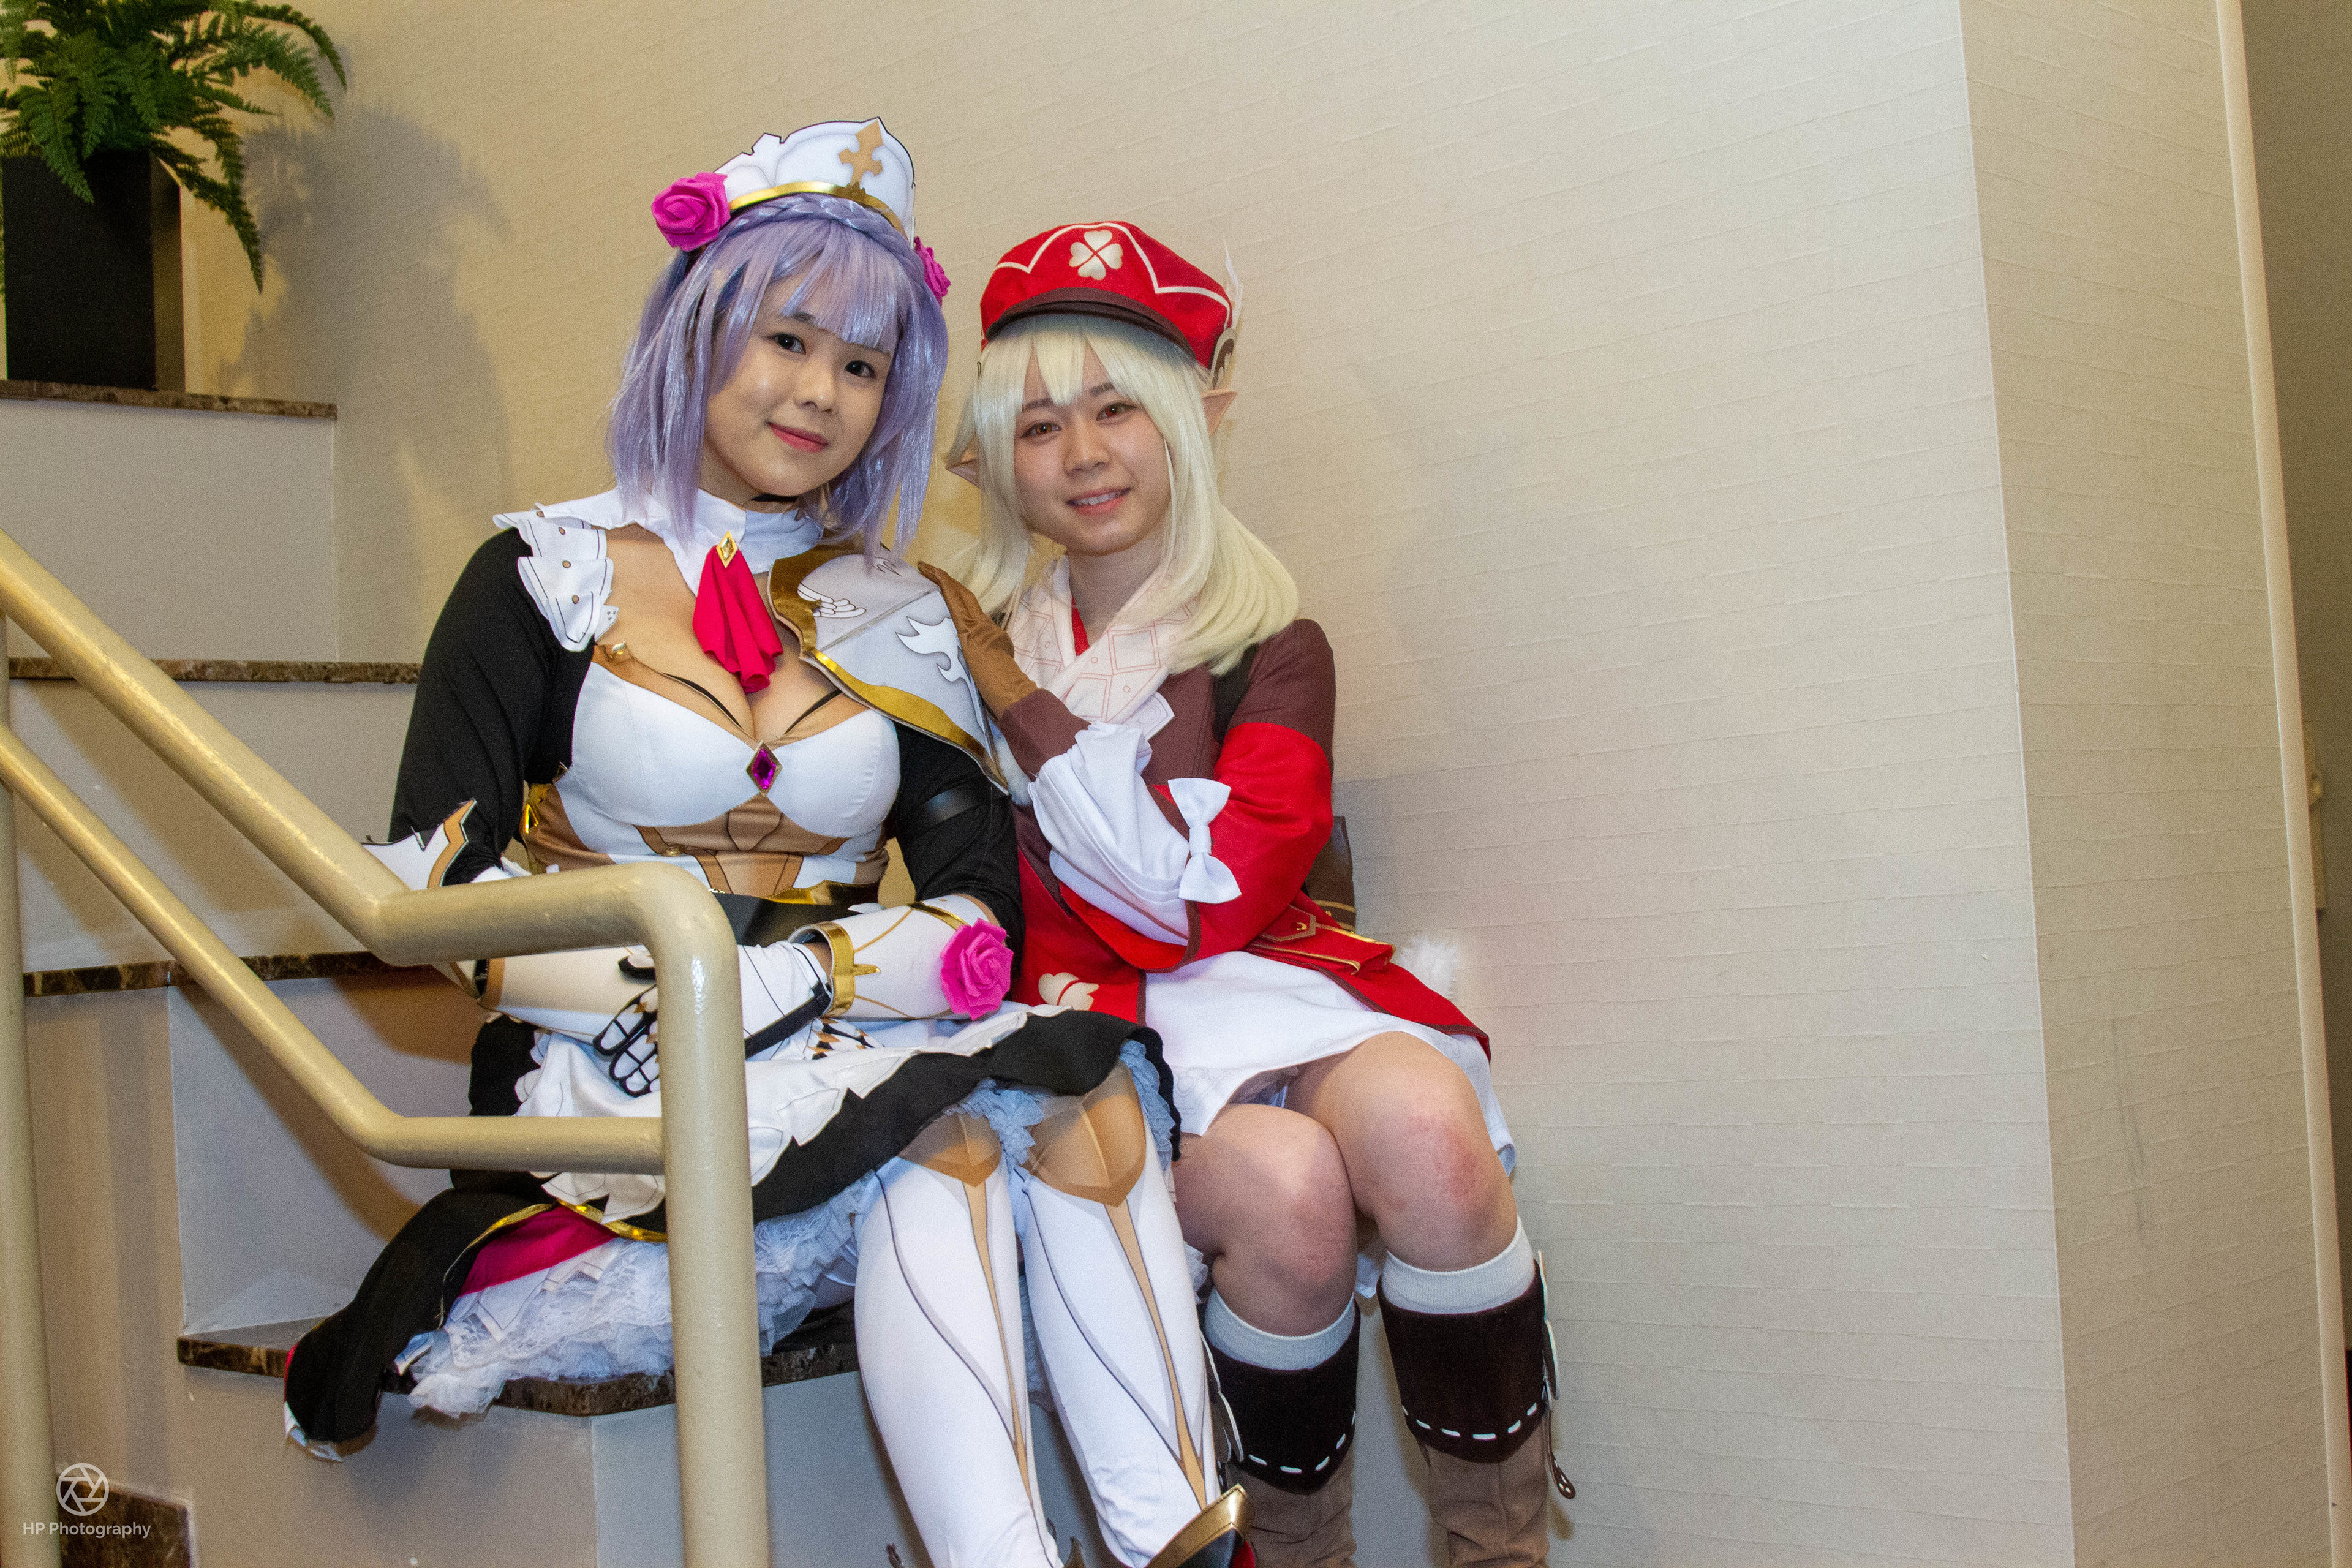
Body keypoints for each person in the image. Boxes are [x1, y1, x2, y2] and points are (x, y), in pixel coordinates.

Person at [282, 133, 1248, 1568]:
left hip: (846, 1030)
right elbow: (431, 882)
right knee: (947, 1137)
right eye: (785, 338)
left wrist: (813, 975)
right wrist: (690, 990)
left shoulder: (902, 605)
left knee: (1078, 1098)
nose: (818, 392)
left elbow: (978, 899)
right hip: (607, 1058)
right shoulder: (543, 570)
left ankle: (1178, 1538)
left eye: (862, 364)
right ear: (697, 328)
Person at [922, 222, 1574, 1568]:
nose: (1084, 452)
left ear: (1186, 422)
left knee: (1428, 1129)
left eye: (1118, 409)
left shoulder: (1274, 646)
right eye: (1039, 425)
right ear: (995, 458)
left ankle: (1502, 1549)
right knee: (1287, 1187)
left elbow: (1197, 907)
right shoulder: (947, 661)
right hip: (1091, 1042)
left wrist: (1020, 705)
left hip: (1269, 987)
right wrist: (984, 679)